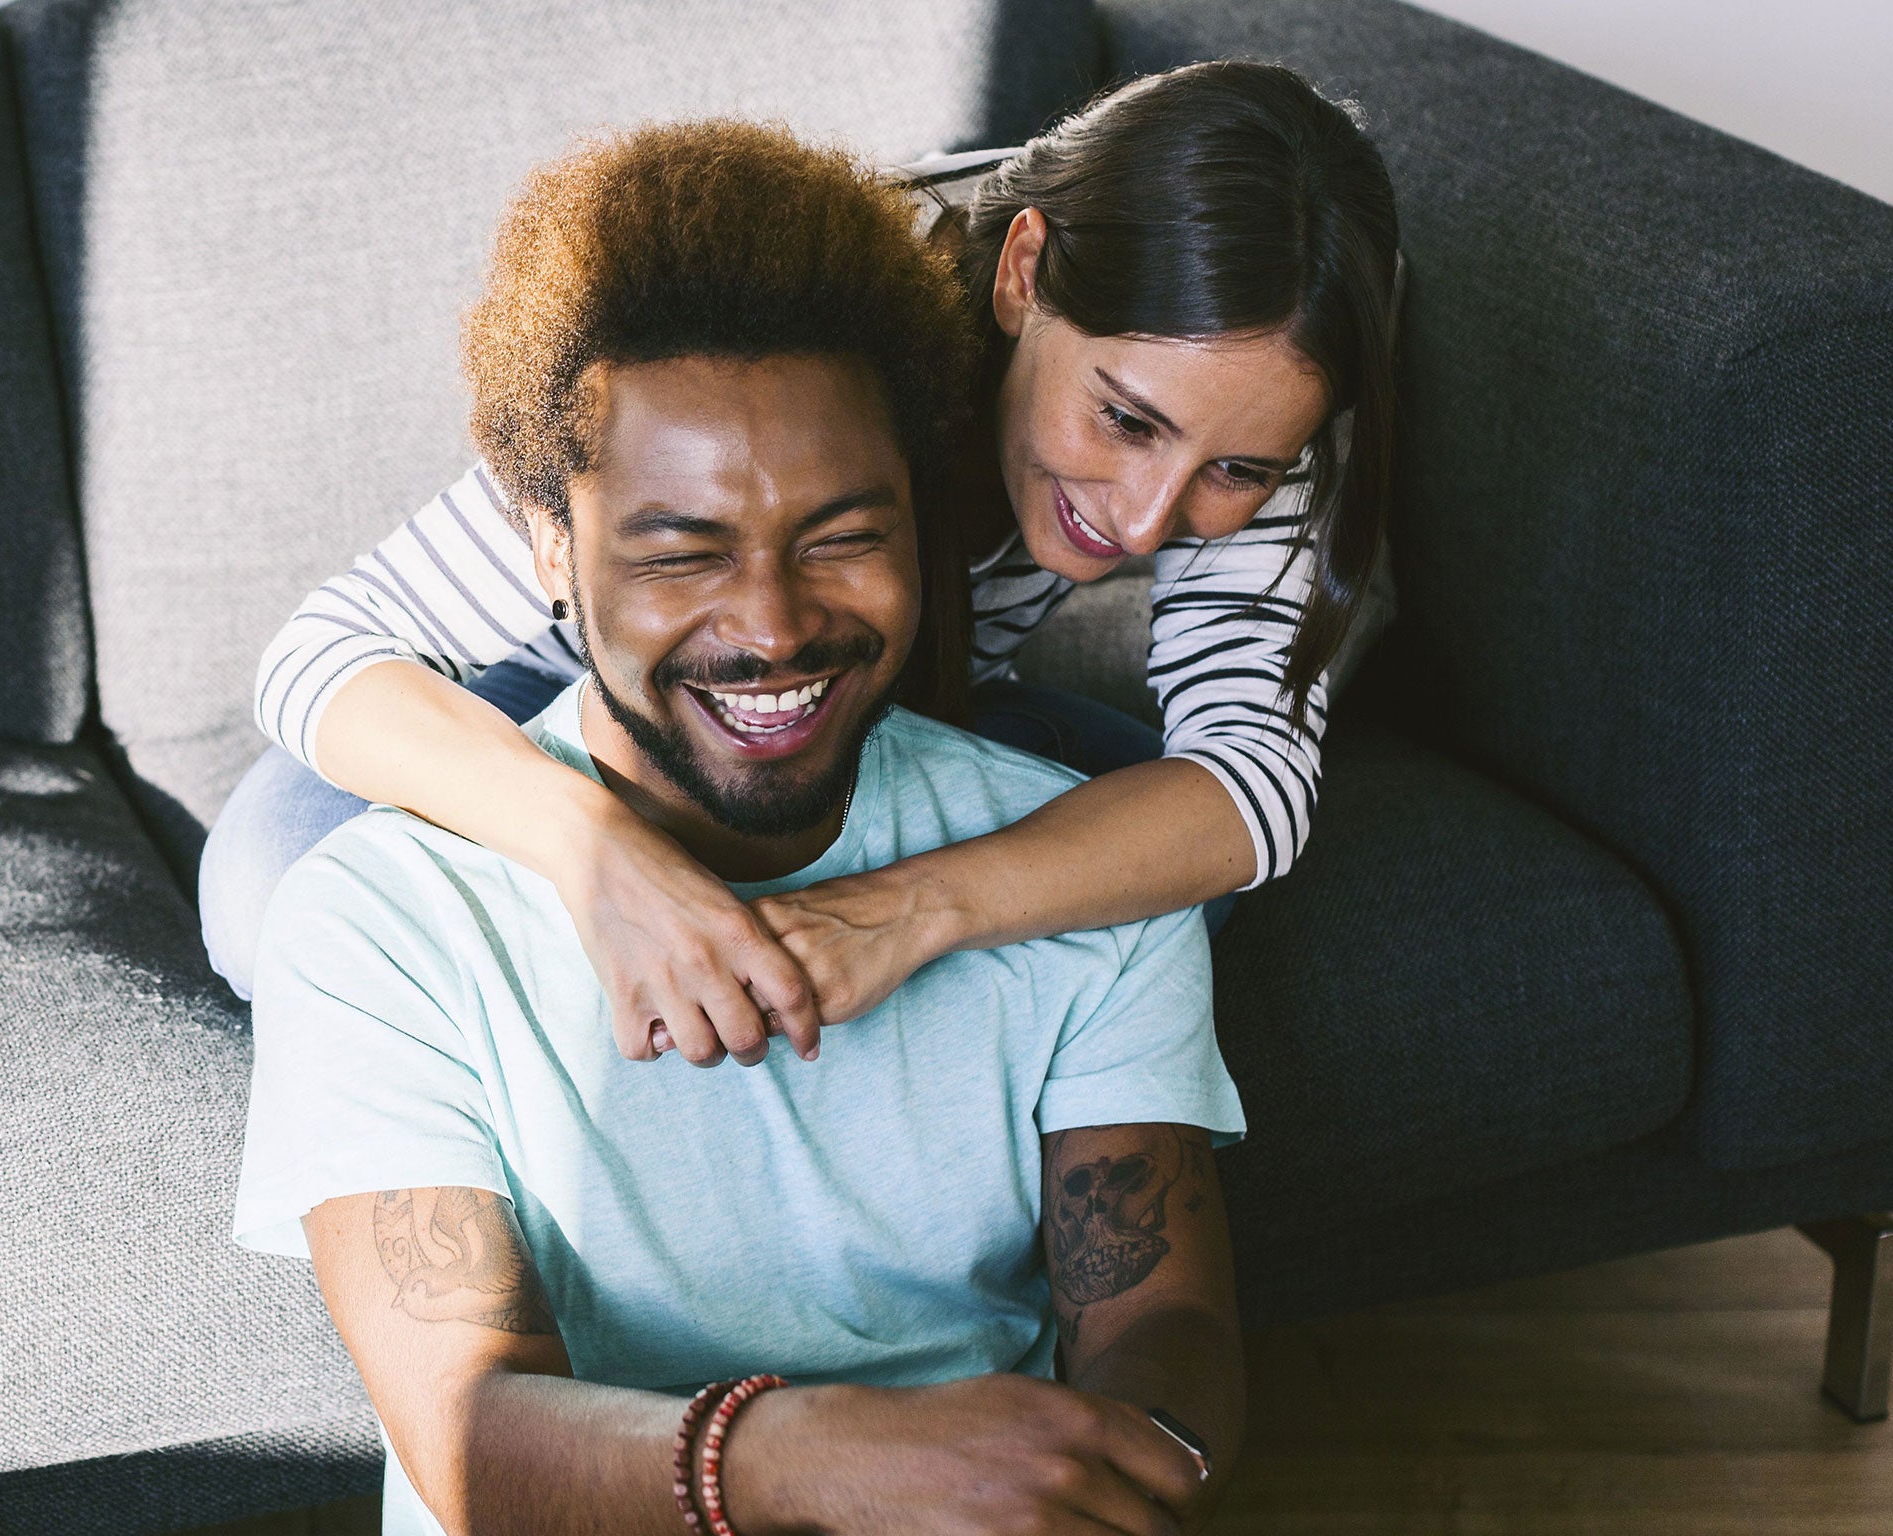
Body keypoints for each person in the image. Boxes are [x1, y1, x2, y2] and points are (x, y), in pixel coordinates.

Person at [235, 121, 1246, 1536]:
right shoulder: (377, 925)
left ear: (922, 516)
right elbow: (475, 1441)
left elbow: (1162, 1317)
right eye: (683, 551)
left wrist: (1119, 1464)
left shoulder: (1086, 866)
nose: (771, 626)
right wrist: (810, 1462)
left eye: (844, 536)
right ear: (546, 545)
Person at [204, 60, 1401, 1066]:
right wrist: (599, 857)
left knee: (1164, 875)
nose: (1144, 525)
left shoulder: (1255, 398)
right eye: (1124, 421)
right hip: (571, 702)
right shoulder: (807, 306)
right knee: (276, 894)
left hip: (881, 707)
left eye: (1233, 471)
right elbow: (323, 649)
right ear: (1022, 271)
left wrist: (902, 911)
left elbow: (1249, 787)